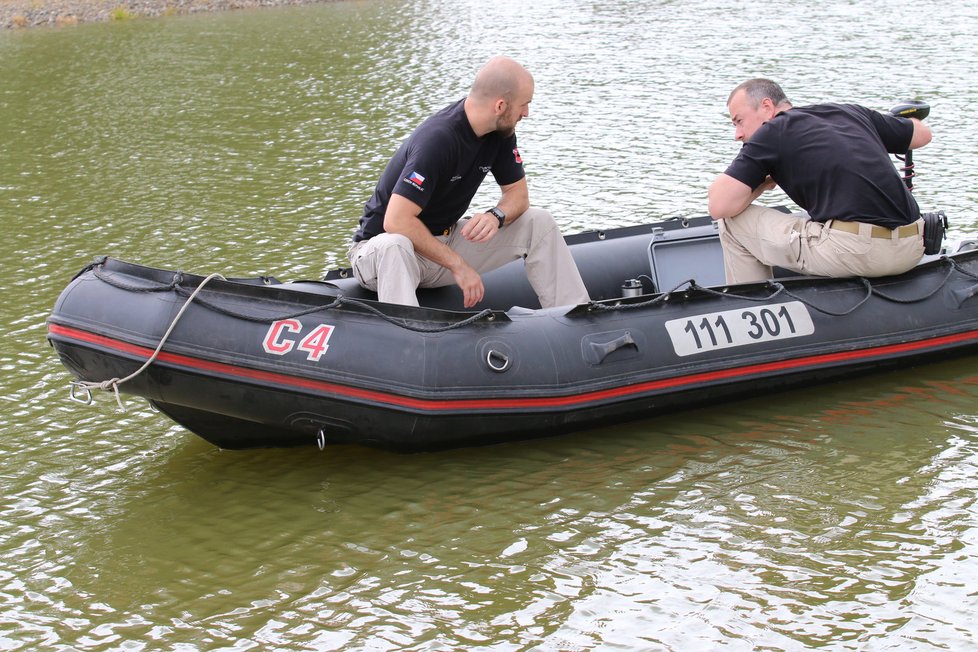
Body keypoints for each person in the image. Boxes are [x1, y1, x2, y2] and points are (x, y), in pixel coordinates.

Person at [347, 56, 590, 309]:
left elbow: (518, 195)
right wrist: (459, 266)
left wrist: (496, 215)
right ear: (500, 105)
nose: (526, 113)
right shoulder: (438, 140)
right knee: (394, 243)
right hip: (383, 255)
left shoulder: (501, 133)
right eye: (524, 104)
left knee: (539, 222)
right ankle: (410, 340)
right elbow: (396, 221)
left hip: (443, 244)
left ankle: (573, 318)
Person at [707, 78, 933, 284]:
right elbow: (923, 134)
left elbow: (718, 206)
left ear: (767, 107)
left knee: (731, 222)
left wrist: (765, 183)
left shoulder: (771, 132)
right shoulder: (849, 112)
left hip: (859, 252)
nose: (737, 134)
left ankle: (750, 313)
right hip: (912, 248)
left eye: (739, 121)